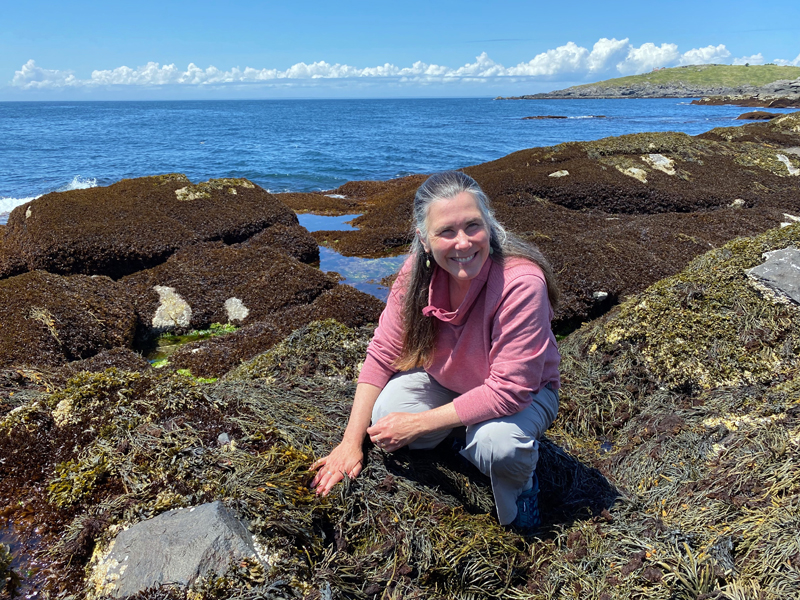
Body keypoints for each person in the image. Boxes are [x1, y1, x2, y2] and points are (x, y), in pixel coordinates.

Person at [309, 170, 561, 533]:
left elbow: (510, 389)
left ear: (489, 226)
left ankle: (522, 491)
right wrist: (350, 444)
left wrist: (420, 423)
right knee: (384, 416)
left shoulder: (521, 283)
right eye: (446, 231)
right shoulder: (417, 273)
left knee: (497, 445)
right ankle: (462, 433)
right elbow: (382, 353)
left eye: (472, 226)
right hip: (450, 382)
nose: (463, 243)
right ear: (424, 240)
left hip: (526, 394)